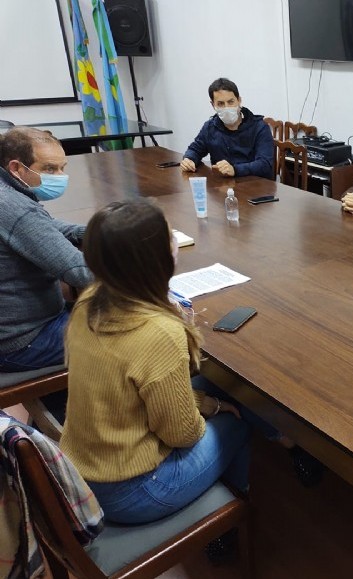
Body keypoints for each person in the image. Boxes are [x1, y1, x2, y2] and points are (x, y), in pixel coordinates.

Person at [59, 201, 251, 525]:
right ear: (157, 259)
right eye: (170, 237)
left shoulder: (89, 301)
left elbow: (135, 388)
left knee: (214, 390)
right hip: (134, 491)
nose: (176, 242)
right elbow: (183, 434)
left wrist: (202, 401)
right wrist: (211, 408)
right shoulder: (158, 332)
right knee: (239, 421)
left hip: (83, 471)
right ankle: (224, 526)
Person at [0, 127, 92, 373]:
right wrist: (144, 260)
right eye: (50, 169)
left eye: (62, 168)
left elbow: (43, 225)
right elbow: (80, 272)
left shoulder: (6, 191)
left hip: (16, 325)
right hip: (21, 341)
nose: (59, 176)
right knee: (140, 333)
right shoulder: (14, 207)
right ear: (17, 168)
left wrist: (91, 231)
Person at [180, 77, 274, 179]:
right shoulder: (210, 127)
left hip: (256, 187)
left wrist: (235, 169)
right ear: (213, 105)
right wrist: (189, 159)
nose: (226, 107)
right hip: (222, 188)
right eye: (220, 104)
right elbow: (195, 149)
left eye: (231, 102)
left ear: (239, 100)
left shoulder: (260, 127)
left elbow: (265, 164)